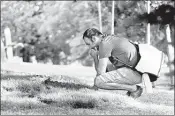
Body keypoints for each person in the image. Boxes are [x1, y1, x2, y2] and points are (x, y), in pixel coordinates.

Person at [82, 28, 167, 98]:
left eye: (88, 44)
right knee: (105, 71)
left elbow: (101, 73)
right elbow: (106, 68)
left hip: (137, 73)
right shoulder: (109, 38)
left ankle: (134, 89)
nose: (89, 47)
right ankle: (133, 89)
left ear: (93, 39)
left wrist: (95, 57)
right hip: (138, 71)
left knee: (99, 81)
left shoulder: (104, 44)